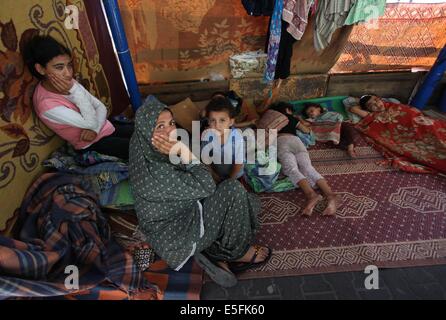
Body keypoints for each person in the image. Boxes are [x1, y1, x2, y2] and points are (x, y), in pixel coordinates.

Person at [128, 96, 272, 287]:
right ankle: (231, 253)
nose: (170, 130)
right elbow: (206, 186)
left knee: (250, 202)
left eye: (170, 123)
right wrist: (184, 152)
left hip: (185, 211)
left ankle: (211, 249)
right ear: (146, 131)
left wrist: (185, 154)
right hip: (180, 236)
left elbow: (202, 173)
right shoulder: (155, 173)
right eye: (159, 126)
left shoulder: (146, 149)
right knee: (233, 191)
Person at [23, 35, 133, 160]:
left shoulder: (69, 83)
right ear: (40, 69)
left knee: (149, 133)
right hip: (93, 144)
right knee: (147, 147)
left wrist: (95, 129)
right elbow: (90, 122)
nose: (68, 73)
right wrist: (74, 90)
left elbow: (100, 107)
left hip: (105, 127)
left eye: (69, 65)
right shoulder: (46, 105)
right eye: (59, 67)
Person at [270, 102, 338, 216]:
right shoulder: (291, 118)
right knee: (308, 168)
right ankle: (330, 194)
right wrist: (299, 120)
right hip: (296, 141)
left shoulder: (272, 119)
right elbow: (306, 131)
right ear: (288, 110)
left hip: (281, 142)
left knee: (292, 169)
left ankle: (312, 195)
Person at [201, 96, 245, 183]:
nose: (217, 125)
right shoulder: (207, 135)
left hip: (234, 175)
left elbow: (238, 163)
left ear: (231, 122)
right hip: (217, 173)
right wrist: (213, 175)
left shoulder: (237, 137)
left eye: (222, 120)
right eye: (213, 120)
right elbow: (206, 158)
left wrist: (229, 180)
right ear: (208, 122)